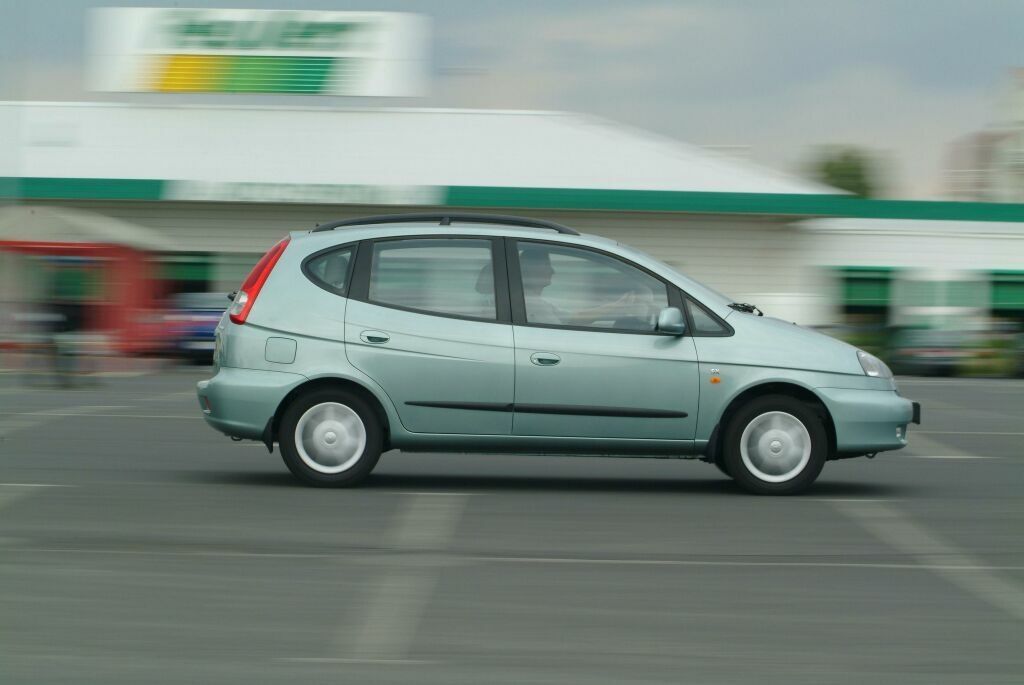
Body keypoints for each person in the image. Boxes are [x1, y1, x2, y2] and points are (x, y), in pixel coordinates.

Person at [518, 247, 650, 328]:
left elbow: (575, 318)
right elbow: (562, 335)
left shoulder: (534, 302)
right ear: (530, 270)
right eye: (546, 265)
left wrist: (617, 305)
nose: (552, 271)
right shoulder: (533, 306)